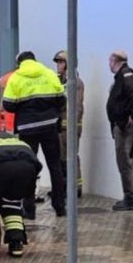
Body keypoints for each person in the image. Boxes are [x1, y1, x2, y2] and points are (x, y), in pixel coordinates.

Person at [0, 51, 65, 219]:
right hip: (50, 126)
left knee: (28, 167)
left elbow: (8, 105)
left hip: (27, 128)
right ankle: (60, 206)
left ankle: (29, 209)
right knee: (55, 166)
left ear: (19, 63)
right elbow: (61, 98)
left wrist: (24, 108)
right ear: (34, 60)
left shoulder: (16, 77)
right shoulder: (49, 73)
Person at [107, 50, 133, 211]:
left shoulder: (126, 75)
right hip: (123, 126)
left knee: (125, 162)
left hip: (125, 128)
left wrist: (130, 116)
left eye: (110, 60)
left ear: (115, 61)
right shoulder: (122, 76)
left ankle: (131, 198)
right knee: (130, 161)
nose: (109, 64)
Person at [53, 50, 84, 198]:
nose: (58, 65)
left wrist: (70, 124)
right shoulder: (60, 81)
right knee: (61, 157)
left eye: (61, 62)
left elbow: (76, 106)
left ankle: (75, 187)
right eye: (58, 62)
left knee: (70, 156)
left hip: (70, 127)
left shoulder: (75, 82)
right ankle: (64, 185)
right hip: (60, 127)